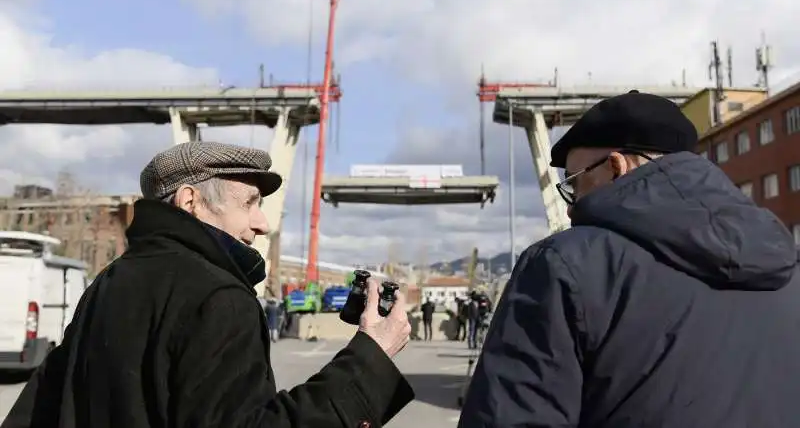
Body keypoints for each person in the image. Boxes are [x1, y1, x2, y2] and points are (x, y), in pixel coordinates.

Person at [3, 141, 414, 428]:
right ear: (189, 201)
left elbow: (39, 410)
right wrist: (370, 359)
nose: (262, 223)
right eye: (249, 203)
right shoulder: (219, 297)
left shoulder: (109, 281)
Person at [458, 90, 800, 427]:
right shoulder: (786, 264)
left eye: (575, 184)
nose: (570, 205)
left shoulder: (562, 266)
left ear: (616, 166)